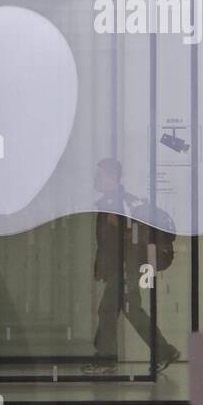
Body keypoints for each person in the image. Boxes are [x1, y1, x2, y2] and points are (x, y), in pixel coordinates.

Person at [83, 157, 181, 376]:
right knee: (131, 310)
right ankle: (164, 351)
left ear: (110, 178)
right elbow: (109, 242)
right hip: (123, 267)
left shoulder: (122, 203)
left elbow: (134, 237)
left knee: (109, 310)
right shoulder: (113, 202)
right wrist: (103, 265)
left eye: (99, 175)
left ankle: (106, 359)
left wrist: (124, 264)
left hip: (126, 267)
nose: (95, 179)